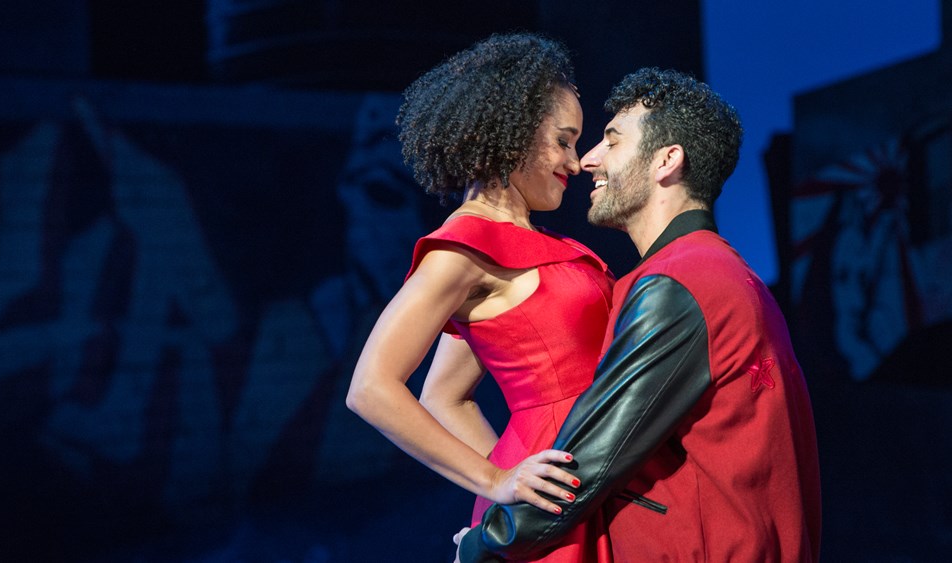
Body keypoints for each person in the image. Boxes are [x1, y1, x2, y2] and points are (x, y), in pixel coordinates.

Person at [456, 68, 822, 562]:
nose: (587, 160)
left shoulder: (681, 284)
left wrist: (482, 544)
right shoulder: (728, 276)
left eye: (612, 140)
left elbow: (581, 467)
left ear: (667, 160)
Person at [346, 33, 617, 561]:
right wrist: (497, 481)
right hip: (564, 490)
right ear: (511, 135)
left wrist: (517, 484)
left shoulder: (533, 243)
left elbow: (444, 395)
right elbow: (370, 388)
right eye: (563, 140)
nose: (577, 160)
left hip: (580, 476)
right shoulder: (464, 247)